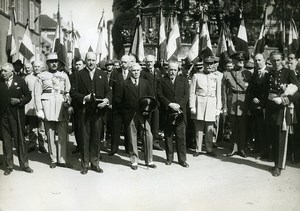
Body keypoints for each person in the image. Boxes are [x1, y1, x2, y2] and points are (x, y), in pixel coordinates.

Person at [70, 52, 111, 175]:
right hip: (84, 111)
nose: (91, 62)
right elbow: (73, 93)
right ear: (85, 61)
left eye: (93, 60)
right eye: (89, 60)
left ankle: (95, 163)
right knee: (84, 138)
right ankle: (85, 164)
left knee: (96, 138)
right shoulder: (77, 75)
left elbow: (108, 91)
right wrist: (84, 98)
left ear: (96, 61)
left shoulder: (102, 74)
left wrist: (107, 100)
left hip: (98, 112)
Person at [115, 63, 156, 170]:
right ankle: (134, 161)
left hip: (144, 113)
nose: (136, 72)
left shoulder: (146, 83)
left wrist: (148, 110)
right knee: (132, 136)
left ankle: (149, 160)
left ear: (140, 71)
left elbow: (151, 98)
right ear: (130, 71)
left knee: (148, 134)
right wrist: (125, 111)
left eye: (138, 70)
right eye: (134, 71)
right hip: (130, 114)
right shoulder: (123, 84)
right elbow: (118, 100)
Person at [265, 51, 300, 177]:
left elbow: (297, 91)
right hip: (271, 108)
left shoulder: (288, 72)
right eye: (273, 60)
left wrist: (285, 100)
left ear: (282, 60)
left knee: (280, 137)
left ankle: (279, 165)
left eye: (278, 60)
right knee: (273, 136)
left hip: (282, 109)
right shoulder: (268, 74)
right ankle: (275, 161)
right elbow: (266, 91)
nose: (276, 63)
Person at [34, 53, 72, 169]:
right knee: (50, 135)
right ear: (47, 63)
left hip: (61, 105)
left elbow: (68, 91)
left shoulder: (64, 75)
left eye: (56, 61)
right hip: (48, 106)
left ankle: (62, 159)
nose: (54, 63)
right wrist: (39, 109)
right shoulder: (41, 76)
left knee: (62, 135)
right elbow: (36, 94)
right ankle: (53, 159)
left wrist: (68, 102)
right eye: (51, 61)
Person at [0, 62, 33, 175]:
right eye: (2, 70)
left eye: (4, 71)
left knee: (20, 140)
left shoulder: (20, 80)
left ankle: (24, 165)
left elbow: (28, 96)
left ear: (11, 71)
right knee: (6, 141)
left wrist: (20, 101)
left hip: (17, 115)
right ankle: (9, 166)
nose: (2, 73)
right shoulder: (0, 81)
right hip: (3, 116)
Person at [157, 62, 189, 167]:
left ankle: (182, 159)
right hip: (168, 113)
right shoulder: (162, 80)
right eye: (171, 69)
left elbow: (186, 96)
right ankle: (169, 158)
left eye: (175, 70)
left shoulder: (183, 80)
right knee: (168, 137)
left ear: (178, 70)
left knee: (181, 137)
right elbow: (160, 95)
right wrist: (170, 104)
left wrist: (178, 105)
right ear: (167, 70)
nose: (172, 72)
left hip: (180, 113)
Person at [190, 57, 222, 158]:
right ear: (203, 64)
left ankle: (209, 149)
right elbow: (192, 92)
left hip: (211, 104)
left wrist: (218, 108)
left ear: (213, 65)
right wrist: (192, 106)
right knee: (198, 128)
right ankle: (198, 149)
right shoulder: (196, 76)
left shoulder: (216, 77)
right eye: (207, 64)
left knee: (210, 128)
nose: (209, 66)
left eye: (211, 64)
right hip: (199, 103)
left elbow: (218, 93)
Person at [222, 51, 252, 158]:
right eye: (238, 60)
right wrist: (225, 106)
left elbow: (250, 92)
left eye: (242, 60)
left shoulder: (248, 73)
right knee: (233, 127)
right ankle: (233, 149)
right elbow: (224, 92)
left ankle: (242, 149)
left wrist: (249, 106)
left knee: (243, 127)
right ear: (233, 61)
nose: (241, 61)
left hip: (243, 103)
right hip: (232, 102)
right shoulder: (227, 74)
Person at [108, 55, 132, 156]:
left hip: (128, 105)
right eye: (122, 62)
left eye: (125, 62)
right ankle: (114, 148)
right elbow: (111, 88)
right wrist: (111, 102)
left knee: (128, 127)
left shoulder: (133, 73)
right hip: (117, 104)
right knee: (116, 127)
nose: (123, 64)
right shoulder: (115, 72)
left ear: (129, 63)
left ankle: (128, 148)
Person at [248, 54, 270, 160]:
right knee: (258, 128)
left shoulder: (270, 72)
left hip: (267, 105)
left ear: (264, 60)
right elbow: (251, 90)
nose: (257, 62)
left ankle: (266, 151)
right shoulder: (255, 73)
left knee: (266, 129)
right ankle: (259, 149)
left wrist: (263, 102)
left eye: (259, 60)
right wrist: (253, 98)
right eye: (255, 60)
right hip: (256, 105)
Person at [140, 55, 163, 150]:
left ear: (154, 62)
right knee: (147, 122)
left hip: (156, 102)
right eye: (147, 62)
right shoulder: (143, 73)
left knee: (156, 122)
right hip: (147, 101)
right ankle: (145, 143)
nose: (149, 63)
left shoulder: (158, 72)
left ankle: (155, 142)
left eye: (151, 62)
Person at [24, 62, 47, 153]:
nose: (36, 68)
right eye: (35, 67)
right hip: (31, 104)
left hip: (42, 103)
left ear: (42, 67)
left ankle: (42, 145)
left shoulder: (45, 77)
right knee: (32, 126)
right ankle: (32, 144)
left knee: (42, 126)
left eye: (38, 66)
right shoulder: (28, 78)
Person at [69, 58, 85, 154]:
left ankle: (86, 148)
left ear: (83, 65)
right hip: (75, 104)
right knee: (77, 127)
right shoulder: (71, 76)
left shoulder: (86, 75)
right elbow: (69, 92)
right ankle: (79, 146)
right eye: (77, 64)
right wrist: (70, 105)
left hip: (85, 104)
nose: (78, 66)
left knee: (85, 128)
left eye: (80, 64)